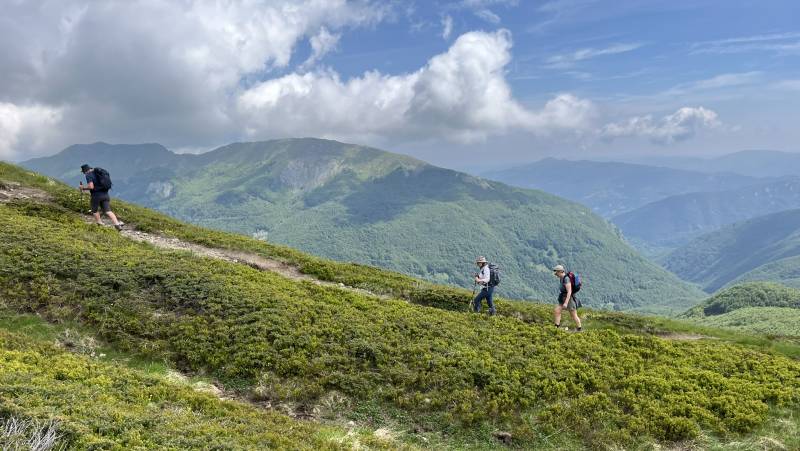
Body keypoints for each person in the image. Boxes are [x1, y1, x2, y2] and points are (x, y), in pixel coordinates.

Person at [79, 164, 124, 231]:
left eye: (83, 172)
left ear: (85, 171)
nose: (84, 173)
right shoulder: (99, 173)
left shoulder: (88, 175)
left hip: (96, 195)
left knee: (94, 210)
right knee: (108, 211)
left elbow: (91, 187)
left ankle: (100, 224)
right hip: (105, 194)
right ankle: (117, 225)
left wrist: (83, 188)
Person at [553, 265, 581, 332]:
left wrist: (566, 303)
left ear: (560, 272)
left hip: (568, 299)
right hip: (563, 297)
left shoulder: (566, 279)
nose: (555, 274)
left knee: (573, 315)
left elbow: (569, 292)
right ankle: (556, 327)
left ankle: (579, 328)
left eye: (556, 272)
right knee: (557, 310)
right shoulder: (561, 278)